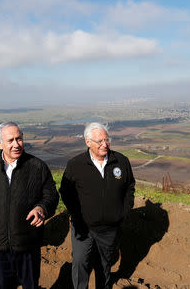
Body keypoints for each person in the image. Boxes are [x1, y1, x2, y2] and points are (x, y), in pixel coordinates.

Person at [0, 122, 59, 289]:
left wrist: (41, 207)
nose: (16, 144)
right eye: (10, 140)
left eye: (19, 139)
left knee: (30, 285)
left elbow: (51, 195)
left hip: (27, 243)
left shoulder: (37, 167)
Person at [60, 122, 135, 289]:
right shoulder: (76, 164)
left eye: (106, 139)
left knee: (104, 265)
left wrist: (123, 212)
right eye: (99, 141)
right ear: (88, 142)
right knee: (80, 263)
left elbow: (129, 186)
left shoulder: (121, 161)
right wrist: (76, 214)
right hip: (83, 228)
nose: (104, 144)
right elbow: (65, 191)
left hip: (109, 228)